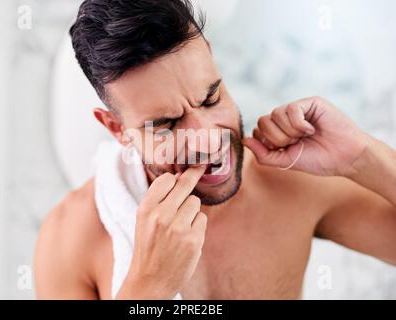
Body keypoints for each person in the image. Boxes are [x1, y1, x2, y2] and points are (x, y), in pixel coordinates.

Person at [34, 0, 396, 299]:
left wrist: (362, 156)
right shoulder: (71, 239)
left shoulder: (294, 183)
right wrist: (149, 286)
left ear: (212, 59)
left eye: (211, 98)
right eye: (166, 124)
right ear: (117, 128)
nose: (207, 139)